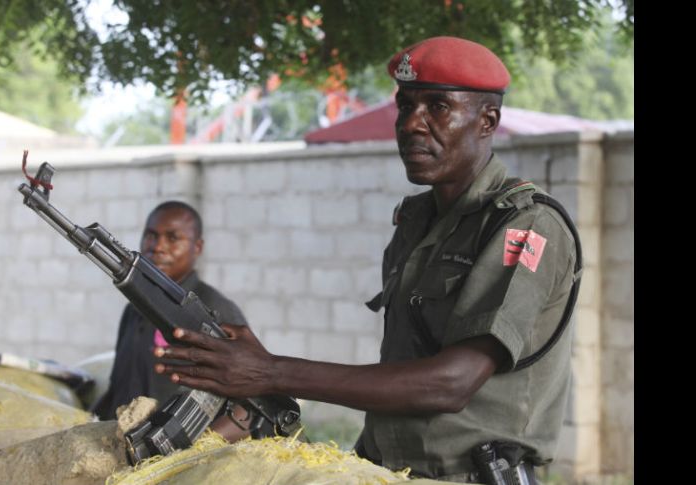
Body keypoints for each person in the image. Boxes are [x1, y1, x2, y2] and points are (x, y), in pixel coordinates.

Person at [154, 36, 581, 483]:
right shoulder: (416, 221)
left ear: (487, 121)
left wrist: (270, 372)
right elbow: (404, 369)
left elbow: (452, 383)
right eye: (405, 106)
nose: (411, 123)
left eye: (438, 107)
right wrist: (263, 369)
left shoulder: (526, 225)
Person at [93, 201, 250, 439]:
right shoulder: (134, 309)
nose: (158, 247)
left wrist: (190, 450)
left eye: (173, 238)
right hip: (122, 445)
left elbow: (247, 406)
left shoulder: (215, 311)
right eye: (151, 236)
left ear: (197, 247)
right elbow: (118, 389)